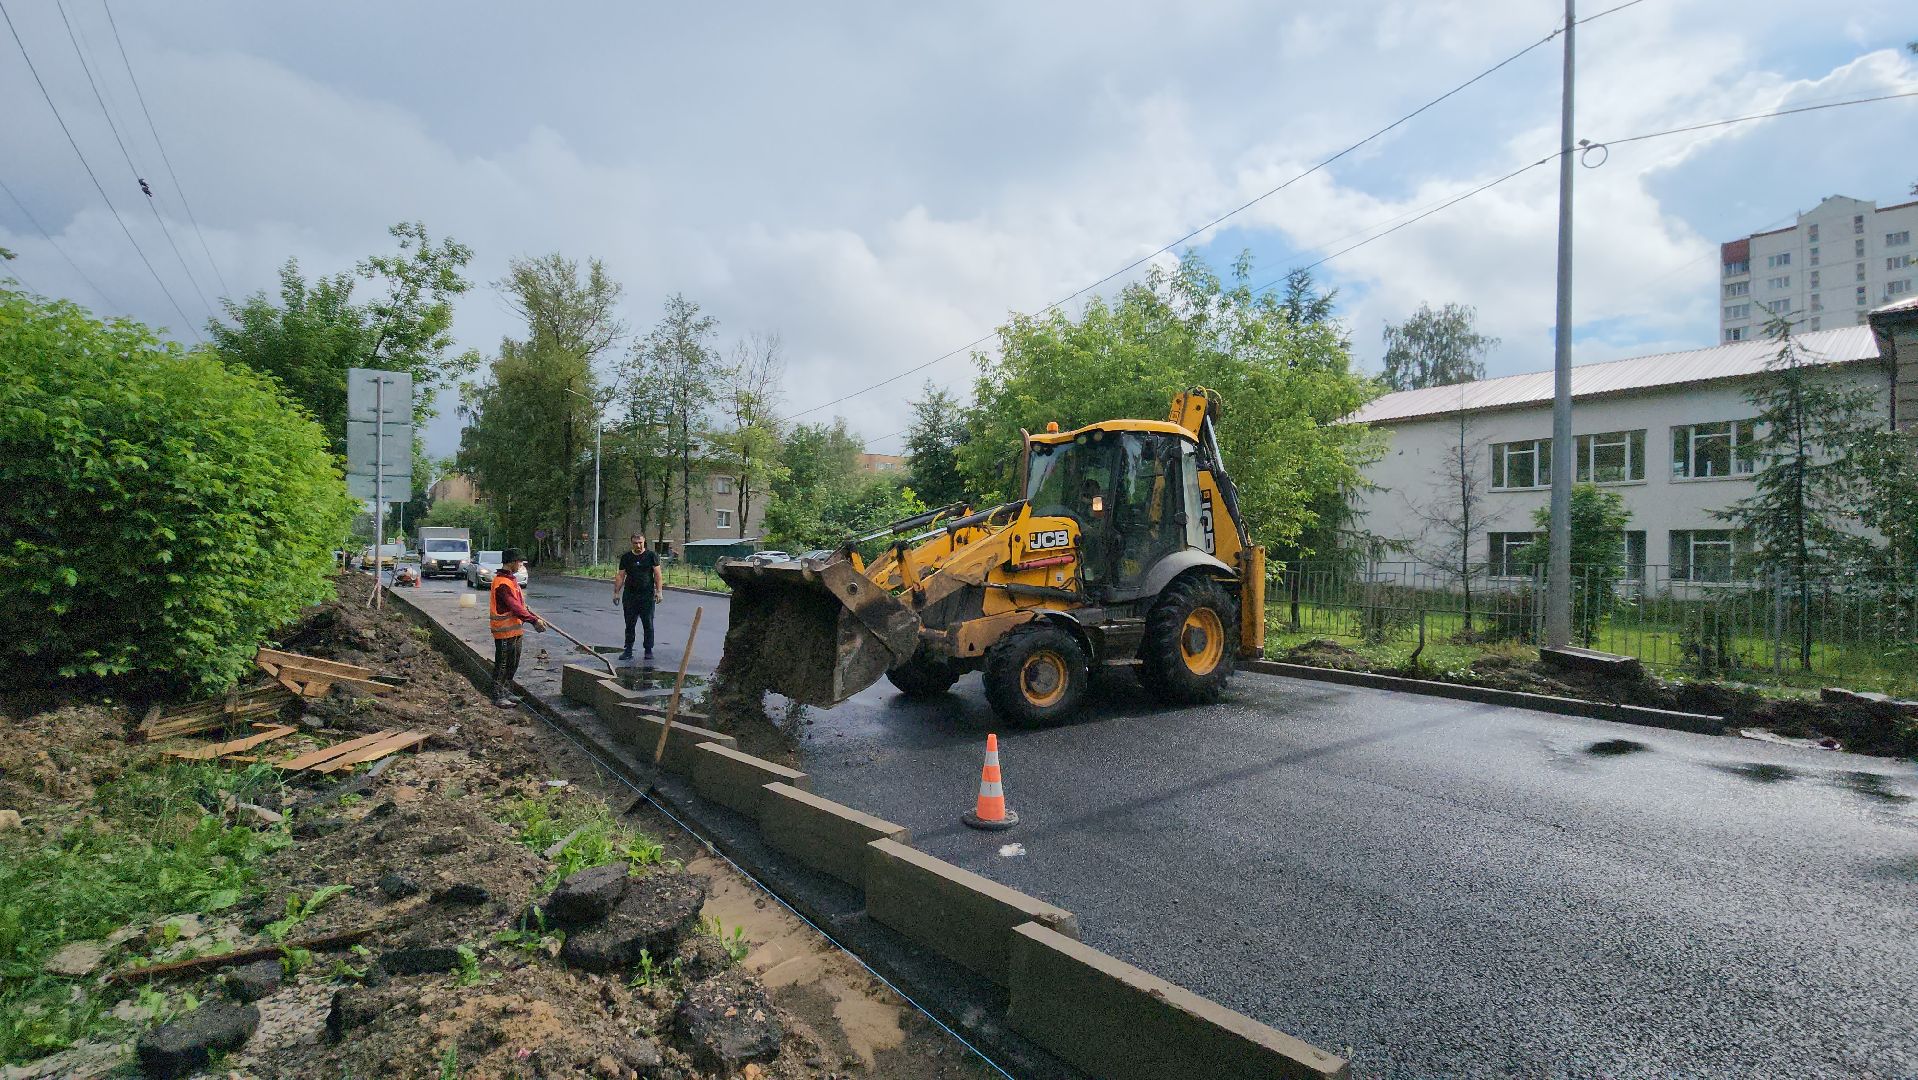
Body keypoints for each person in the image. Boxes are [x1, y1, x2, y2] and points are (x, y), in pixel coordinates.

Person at [489, 548, 546, 707]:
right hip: (504, 631)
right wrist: (533, 621)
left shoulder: (511, 580)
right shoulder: (502, 582)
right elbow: (514, 606)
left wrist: (530, 613)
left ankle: (507, 692)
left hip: (515, 629)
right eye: (519, 562)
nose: (520, 565)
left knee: (513, 663)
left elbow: (519, 604)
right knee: (503, 664)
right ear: (512, 562)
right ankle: (498, 695)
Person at [614, 533, 663, 663]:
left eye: (640, 542)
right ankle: (628, 650)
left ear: (644, 542)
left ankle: (648, 650)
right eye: (635, 543)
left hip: (647, 596)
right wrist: (616, 593)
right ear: (632, 543)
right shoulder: (626, 557)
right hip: (630, 596)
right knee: (630, 624)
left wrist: (659, 591)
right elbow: (620, 576)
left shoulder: (651, 556)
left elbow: (658, 575)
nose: (638, 545)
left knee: (648, 624)